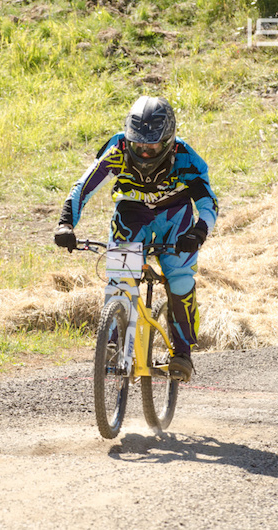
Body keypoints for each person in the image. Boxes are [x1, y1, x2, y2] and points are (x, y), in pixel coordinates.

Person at [54, 96, 218, 381]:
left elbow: (208, 202)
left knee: (179, 280)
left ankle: (182, 353)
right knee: (120, 278)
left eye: (152, 144)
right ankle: (115, 342)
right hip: (132, 215)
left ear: (169, 141)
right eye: (138, 143)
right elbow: (84, 187)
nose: (144, 151)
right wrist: (66, 223)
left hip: (175, 218)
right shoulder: (116, 150)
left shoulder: (187, 157)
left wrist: (199, 231)